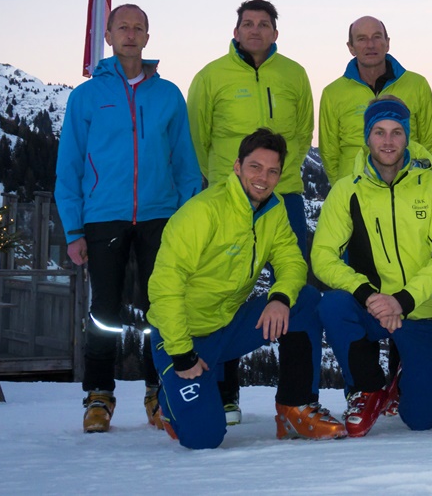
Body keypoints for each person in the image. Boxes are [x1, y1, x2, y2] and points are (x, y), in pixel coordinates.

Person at [148, 129, 345, 449]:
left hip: (228, 326)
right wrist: (182, 354)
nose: (263, 178)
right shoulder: (202, 213)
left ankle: (294, 407)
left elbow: (292, 262)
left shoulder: (273, 209)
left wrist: (280, 298)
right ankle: (169, 400)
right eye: (255, 167)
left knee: (305, 300)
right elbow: (164, 287)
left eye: (272, 171)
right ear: (237, 166)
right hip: (182, 336)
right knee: (204, 438)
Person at [54, 3, 201, 433]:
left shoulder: (168, 94)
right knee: (104, 311)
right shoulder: (86, 96)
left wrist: (186, 220)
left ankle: (160, 393)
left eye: (139, 28)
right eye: (123, 27)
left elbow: (185, 164)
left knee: (163, 307)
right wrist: (73, 229)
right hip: (104, 217)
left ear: (148, 37)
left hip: (162, 217)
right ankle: (99, 396)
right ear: (109, 36)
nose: (131, 34)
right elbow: (69, 167)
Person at [186, 0, 315, 424]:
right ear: (236, 30)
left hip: (285, 195)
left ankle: (297, 398)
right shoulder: (211, 76)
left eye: (263, 24)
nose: (255, 30)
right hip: (229, 200)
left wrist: (280, 177)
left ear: (275, 32)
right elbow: (198, 137)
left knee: (296, 290)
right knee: (224, 289)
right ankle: (225, 394)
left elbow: (302, 132)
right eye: (248, 23)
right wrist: (224, 185)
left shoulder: (294, 74)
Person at [313, 97, 432, 437]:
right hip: (373, 306)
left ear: (407, 137)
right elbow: (322, 255)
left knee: (420, 420)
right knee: (333, 305)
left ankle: (404, 377)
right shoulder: (347, 190)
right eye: (379, 132)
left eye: (397, 132)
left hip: (421, 309)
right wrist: (368, 295)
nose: (388, 141)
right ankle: (369, 387)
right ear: (367, 137)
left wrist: (403, 301)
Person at [318, 16, 432, 187]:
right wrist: (344, 189)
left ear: (387, 43)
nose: (370, 45)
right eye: (362, 39)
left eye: (377, 37)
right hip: (355, 188)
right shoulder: (333, 93)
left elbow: (430, 141)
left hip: (408, 187)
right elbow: (329, 152)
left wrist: (420, 181)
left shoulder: (416, 85)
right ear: (351, 47)